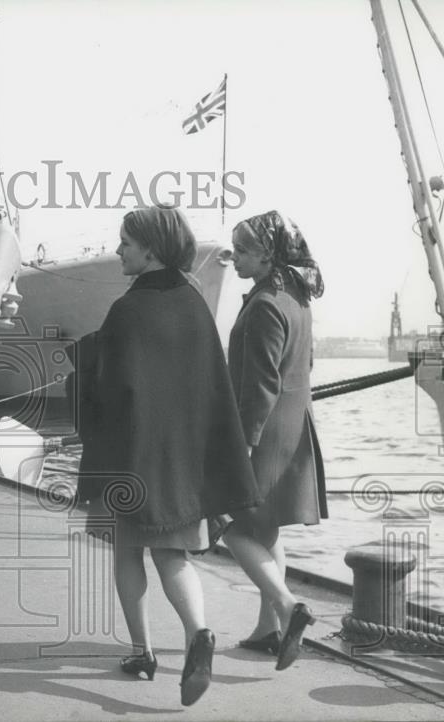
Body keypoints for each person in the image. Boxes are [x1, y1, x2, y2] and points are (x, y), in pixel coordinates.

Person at [75, 205, 260, 707]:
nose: (118, 251)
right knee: (173, 555)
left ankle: (142, 653)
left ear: (151, 249)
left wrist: (83, 357)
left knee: (127, 552)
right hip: (182, 467)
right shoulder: (195, 303)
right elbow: (207, 388)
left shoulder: (127, 311)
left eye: (126, 244)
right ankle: (199, 632)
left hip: (131, 461)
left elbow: (106, 389)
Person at [223, 209, 326, 671]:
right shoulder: (297, 297)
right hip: (293, 423)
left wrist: (244, 443)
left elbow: (261, 382)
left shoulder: (265, 303)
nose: (234, 257)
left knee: (236, 529)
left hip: (263, 429)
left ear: (267, 255)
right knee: (267, 527)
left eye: (243, 251)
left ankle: (288, 607)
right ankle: (268, 632)